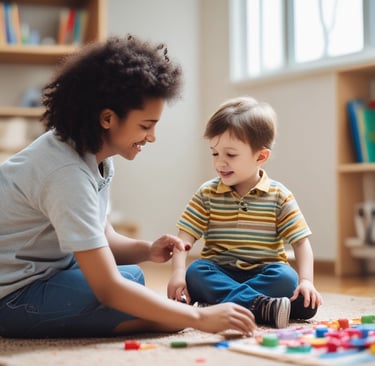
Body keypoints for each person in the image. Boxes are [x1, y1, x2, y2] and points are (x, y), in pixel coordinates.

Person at [0, 36, 256, 338]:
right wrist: (198, 317)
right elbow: (107, 287)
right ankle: (135, 322)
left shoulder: (94, 155)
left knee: (132, 276)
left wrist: (148, 250)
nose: (152, 137)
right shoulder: (66, 172)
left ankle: (128, 316)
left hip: (50, 274)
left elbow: (103, 238)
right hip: (12, 298)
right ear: (107, 118)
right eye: (146, 126)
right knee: (126, 294)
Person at [167, 96, 323, 329]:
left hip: (265, 273)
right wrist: (178, 273)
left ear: (260, 156)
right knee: (196, 273)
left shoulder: (279, 196)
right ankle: (260, 306)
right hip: (218, 270)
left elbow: (301, 242)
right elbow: (184, 238)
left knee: (287, 279)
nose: (220, 163)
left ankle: (218, 305)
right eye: (214, 153)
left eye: (230, 155)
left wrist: (307, 281)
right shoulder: (207, 193)